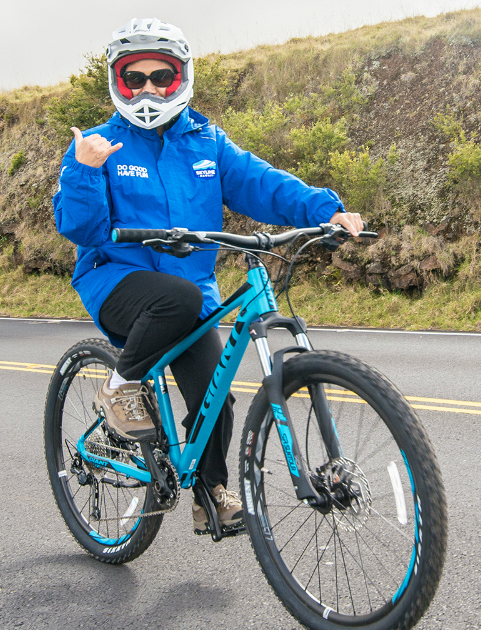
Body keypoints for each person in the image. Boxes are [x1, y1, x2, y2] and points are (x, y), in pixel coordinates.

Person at [53, 17, 364, 534]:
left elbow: (263, 184)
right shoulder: (98, 144)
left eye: (161, 76)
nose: (148, 88)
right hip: (115, 278)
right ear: (118, 81)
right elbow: (80, 229)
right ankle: (119, 388)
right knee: (174, 297)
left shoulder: (207, 142)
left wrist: (324, 211)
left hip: (191, 295)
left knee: (215, 398)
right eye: (136, 78)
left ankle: (210, 495)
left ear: (181, 78)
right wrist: (84, 170)